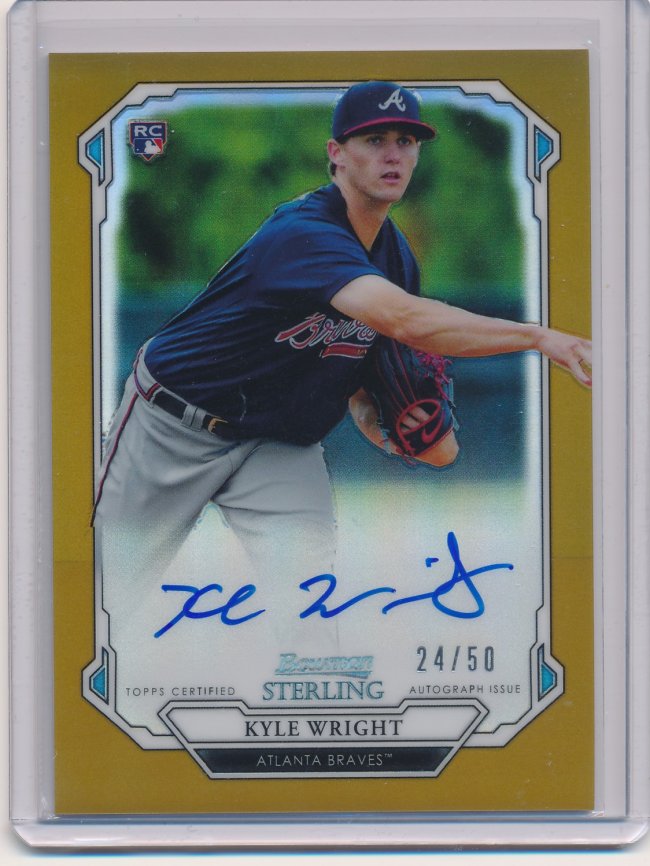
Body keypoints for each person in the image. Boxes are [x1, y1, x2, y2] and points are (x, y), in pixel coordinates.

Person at [94, 80, 591, 597]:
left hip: (279, 444)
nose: (393, 155)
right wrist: (536, 337)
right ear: (336, 153)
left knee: (310, 608)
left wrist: (380, 424)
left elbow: (359, 382)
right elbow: (405, 320)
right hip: (174, 425)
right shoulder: (303, 233)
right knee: (106, 599)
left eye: (406, 141)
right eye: (375, 140)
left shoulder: (396, 260)